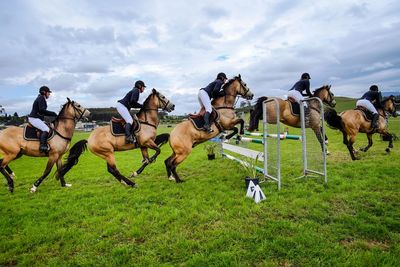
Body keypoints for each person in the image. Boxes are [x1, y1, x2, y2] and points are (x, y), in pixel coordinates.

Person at [28, 86, 58, 153]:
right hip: (34, 118)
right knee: (46, 129)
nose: (49, 94)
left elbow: (42, 112)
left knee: (49, 127)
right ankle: (42, 146)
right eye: (48, 92)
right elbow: (42, 110)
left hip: (38, 118)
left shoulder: (41, 98)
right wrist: (53, 113)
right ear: (44, 92)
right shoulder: (41, 98)